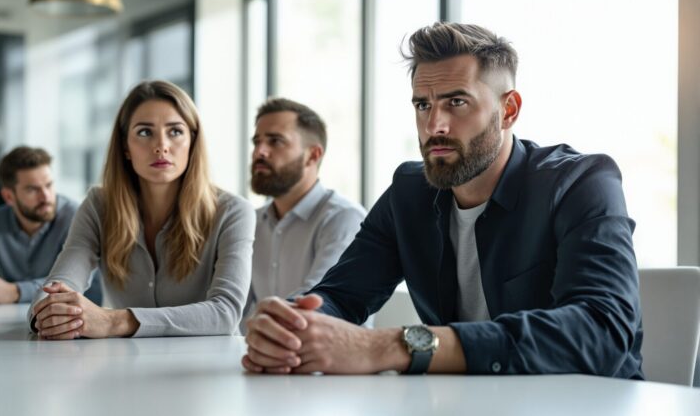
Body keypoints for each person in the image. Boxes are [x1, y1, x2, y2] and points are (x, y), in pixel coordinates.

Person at [242, 22, 643, 378]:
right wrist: (287, 325)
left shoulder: (581, 182)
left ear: (508, 110)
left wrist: (392, 346)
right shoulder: (409, 193)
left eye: (457, 102)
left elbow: (603, 331)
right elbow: (341, 295)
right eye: (423, 105)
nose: (435, 126)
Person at [28, 80, 255, 339]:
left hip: (208, 362)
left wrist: (115, 321)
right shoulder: (99, 206)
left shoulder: (234, 212)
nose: (161, 146)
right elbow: (55, 289)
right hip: (128, 361)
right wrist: (48, 315)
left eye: (175, 131)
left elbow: (225, 313)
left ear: (193, 142)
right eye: (145, 132)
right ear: (125, 147)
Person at [246, 98, 366, 317]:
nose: (259, 152)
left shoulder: (344, 219)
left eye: (275, 141)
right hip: (266, 338)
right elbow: (234, 307)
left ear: (313, 155)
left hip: (330, 339)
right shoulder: (251, 222)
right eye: (257, 142)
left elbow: (317, 303)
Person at [0, 146, 101, 305]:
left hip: (78, 314)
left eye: (49, 185)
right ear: (8, 196)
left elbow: (70, 285)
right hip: (11, 315)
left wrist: (15, 292)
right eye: (33, 189)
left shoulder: (77, 217)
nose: (45, 196)